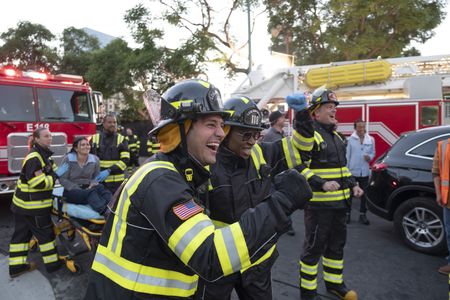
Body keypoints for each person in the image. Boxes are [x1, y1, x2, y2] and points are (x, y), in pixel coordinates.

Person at [84, 79, 312, 299]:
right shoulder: (161, 179)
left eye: (221, 125)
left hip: (251, 264)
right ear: (179, 130)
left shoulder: (184, 172)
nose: (221, 134)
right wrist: (281, 202)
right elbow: (210, 254)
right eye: (211, 124)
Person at [198, 95, 313, 300]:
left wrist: (303, 115)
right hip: (219, 265)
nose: (251, 141)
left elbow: (301, 149)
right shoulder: (205, 163)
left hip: (257, 261)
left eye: (256, 134)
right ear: (226, 131)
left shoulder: (262, 152)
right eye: (245, 135)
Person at [293, 88, 364, 300]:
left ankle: (334, 284)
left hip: (340, 207)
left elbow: (342, 169)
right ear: (315, 113)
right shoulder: (309, 134)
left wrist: (353, 185)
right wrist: (320, 183)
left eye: (334, 107)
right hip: (318, 208)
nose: (333, 111)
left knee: (336, 249)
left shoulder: (337, 137)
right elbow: (298, 167)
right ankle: (308, 293)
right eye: (328, 107)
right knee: (313, 250)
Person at [8, 128, 68, 278]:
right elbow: (39, 183)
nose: (50, 138)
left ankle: (16, 267)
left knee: (21, 237)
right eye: (46, 136)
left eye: (51, 136)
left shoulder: (44, 155)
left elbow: (53, 171)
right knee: (46, 236)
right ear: (36, 139)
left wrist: (61, 173)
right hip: (34, 207)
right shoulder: (35, 157)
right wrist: (55, 176)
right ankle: (53, 265)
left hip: (22, 205)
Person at [59, 137, 112, 214]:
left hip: (88, 188)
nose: (86, 146)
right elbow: (62, 179)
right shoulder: (68, 159)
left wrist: (92, 184)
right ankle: (105, 212)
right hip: (71, 191)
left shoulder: (95, 159)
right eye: (83, 145)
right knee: (90, 193)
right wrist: (79, 189)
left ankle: (114, 207)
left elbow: (96, 178)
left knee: (101, 188)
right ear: (76, 148)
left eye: (87, 144)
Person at [90, 114, 130, 194]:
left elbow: (125, 160)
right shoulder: (94, 138)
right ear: (103, 124)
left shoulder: (121, 139)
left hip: (116, 183)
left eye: (114, 122)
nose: (113, 124)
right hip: (98, 181)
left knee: (114, 205)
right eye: (109, 122)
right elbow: (87, 158)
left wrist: (109, 170)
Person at [346, 119, 375, 225]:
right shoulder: (350, 140)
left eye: (363, 127)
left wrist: (370, 157)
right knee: (349, 194)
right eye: (359, 127)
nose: (361, 129)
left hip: (364, 172)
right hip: (352, 171)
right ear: (355, 128)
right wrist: (346, 171)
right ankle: (347, 214)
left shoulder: (371, 139)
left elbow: (373, 153)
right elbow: (347, 156)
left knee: (364, 195)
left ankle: (362, 214)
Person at [433, 137, 450, 275]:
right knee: (449, 232)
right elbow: (436, 172)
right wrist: (438, 194)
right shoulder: (443, 146)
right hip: (448, 200)